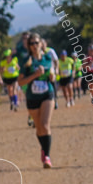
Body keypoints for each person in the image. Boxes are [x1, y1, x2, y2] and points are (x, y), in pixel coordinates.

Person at [16, 33, 56, 168]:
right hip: (32, 97)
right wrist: (35, 75)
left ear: (41, 44)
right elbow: (20, 82)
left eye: (36, 43)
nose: (34, 46)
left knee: (45, 125)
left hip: (47, 94)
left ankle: (47, 156)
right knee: (39, 128)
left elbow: (53, 75)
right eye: (31, 43)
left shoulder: (47, 58)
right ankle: (43, 149)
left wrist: (52, 76)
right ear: (29, 46)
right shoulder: (26, 62)